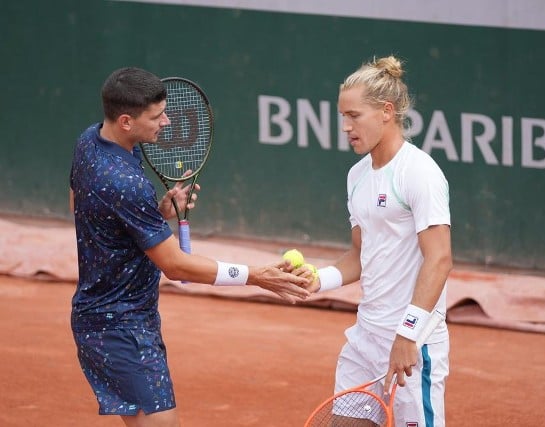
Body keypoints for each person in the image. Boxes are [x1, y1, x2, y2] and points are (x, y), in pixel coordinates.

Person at [68, 67, 310, 427]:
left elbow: (79, 203)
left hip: (110, 318)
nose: (165, 122)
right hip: (120, 326)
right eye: (156, 116)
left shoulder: (91, 140)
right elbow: (176, 266)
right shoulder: (123, 182)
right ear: (125, 121)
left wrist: (151, 217)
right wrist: (256, 276)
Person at [302, 56, 452, 427]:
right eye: (343, 117)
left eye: (354, 116)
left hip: (413, 342)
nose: (346, 127)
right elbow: (359, 255)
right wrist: (318, 279)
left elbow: (440, 260)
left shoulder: (419, 173)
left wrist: (407, 334)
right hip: (365, 338)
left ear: (386, 112)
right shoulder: (357, 176)